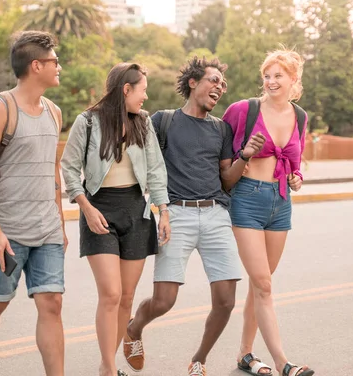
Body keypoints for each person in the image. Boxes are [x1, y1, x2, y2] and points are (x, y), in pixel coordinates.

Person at [123, 57, 262, 376]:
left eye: (223, 85)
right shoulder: (164, 120)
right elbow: (145, 164)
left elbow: (227, 178)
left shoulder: (222, 129)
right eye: (214, 80)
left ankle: (198, 359)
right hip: (177, 215)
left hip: (215, 215)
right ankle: (133, 329)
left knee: (226, 300)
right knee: (164, 300)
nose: (220, 87)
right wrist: (156, 210)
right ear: (193, 83)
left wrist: (245, 156)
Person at [61, 63, 170, 376]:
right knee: (110, 293)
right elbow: (68, 167)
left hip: (136, 209)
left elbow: (155, 169)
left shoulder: (143, 122)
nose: (145, 96)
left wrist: (163, 210)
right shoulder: (88, 121)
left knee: (126, 297)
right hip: (99, 209)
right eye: (142, 89)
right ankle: (108, 368)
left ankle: (109, 360)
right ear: (126, 89)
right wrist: (85, 206)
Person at [0, 31, 67, 376]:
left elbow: (52, 171)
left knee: (52, 304)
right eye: (55, 61)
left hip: (47, 229)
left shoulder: (54, 112)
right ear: (36, 65)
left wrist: (60, 221)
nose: (60, 67)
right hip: (8, 231)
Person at [222, 49, 314, 376]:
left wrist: (297, 177)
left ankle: (245, 354)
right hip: (246, 199)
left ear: (293, 80)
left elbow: (296, 159)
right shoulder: (242, 110)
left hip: (280, 201)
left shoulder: (300, 117)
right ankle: (283, 363)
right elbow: (219, 148)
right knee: (263, 284)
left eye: (279, 76)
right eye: (268, 75)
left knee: (261, 284)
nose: (271, 81)